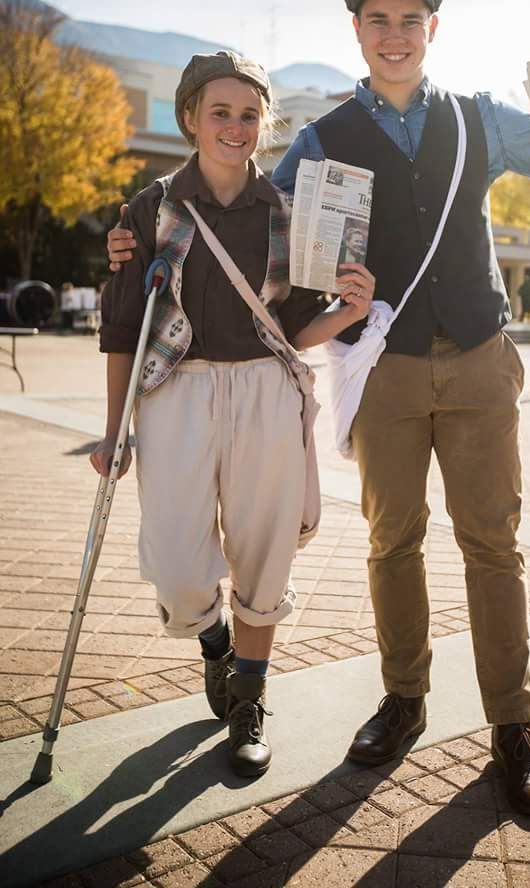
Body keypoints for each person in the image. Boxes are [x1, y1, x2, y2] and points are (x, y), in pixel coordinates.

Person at [107, 0, 530, 817]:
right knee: (393, 541)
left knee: (493, 544)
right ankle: (404, 700)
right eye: (379, 19)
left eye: (411, 20)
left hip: (482, 355)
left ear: (433, 32)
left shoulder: (479, 118)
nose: (395, 35)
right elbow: (240, 206)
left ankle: (513, 730)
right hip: (382, 364)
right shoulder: (323, 138)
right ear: (358, 32)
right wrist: (136, 235)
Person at [93, 50, 374, 778]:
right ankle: (214, 638)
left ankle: (248, 702)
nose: (235, 127)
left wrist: (348, 311)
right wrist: (113, 426)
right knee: (179, 566)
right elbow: (124, 326)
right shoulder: (147, 210)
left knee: (262, 553)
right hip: (175, 394)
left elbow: (293, 328)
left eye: (250, 115)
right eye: (220, 112)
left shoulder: (289, 213)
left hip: (263, 392)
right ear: (190, 117)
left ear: (264, 124)